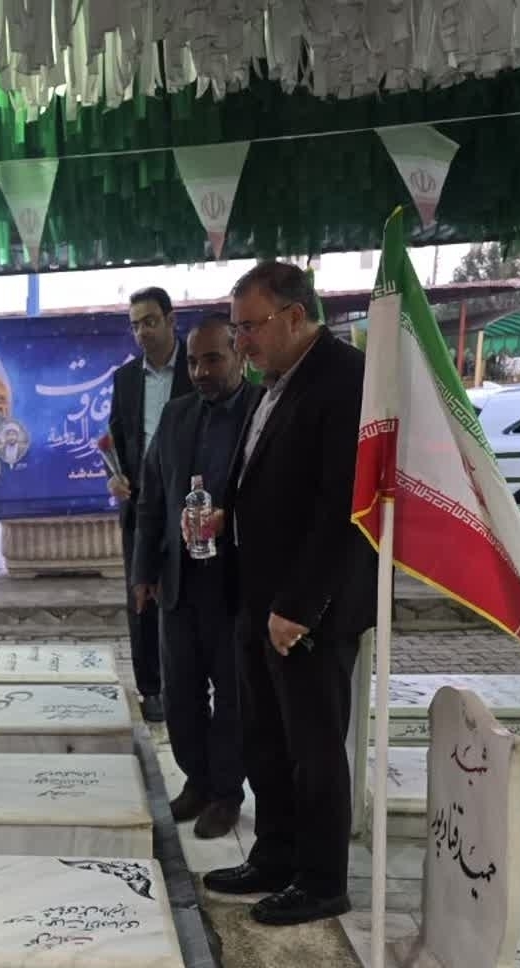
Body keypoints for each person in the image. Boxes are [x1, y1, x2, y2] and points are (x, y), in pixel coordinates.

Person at [197, 262, 376, 927]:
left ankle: (322, 879)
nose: (240, 341)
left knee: (313, 747)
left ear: (295, 317)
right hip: (258, 594)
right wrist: (227, 516)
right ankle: (274, 856)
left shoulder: (344, 380)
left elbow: (341, 507)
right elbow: (265, 480)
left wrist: (298, 606)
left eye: (250, 327)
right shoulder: (273, 382)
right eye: (237, 328)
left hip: (308, 610)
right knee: (265, 739)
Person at [132, 318, 257, 840]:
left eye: (212, 359)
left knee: (232, 696)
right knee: (180, 691)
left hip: (235, 584)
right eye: (193, 362)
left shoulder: (261, 411)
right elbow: (152, 497)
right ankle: (197, 782)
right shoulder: (176, 414)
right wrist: (143, 571)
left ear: (239, 355)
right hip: (179, 581)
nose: (201, 371)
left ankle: (227, 792)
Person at [109, 287, 193, 723]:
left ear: (171, 320)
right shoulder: (125, 379)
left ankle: (191, 682)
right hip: (141, 505)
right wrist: (116, 476)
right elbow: (118, 437)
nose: (142, 332)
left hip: (190, 502)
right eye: (135, 325)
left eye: (150, 321)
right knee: (141, 597)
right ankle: (151, 689)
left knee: (188, 595)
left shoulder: (197, 368)